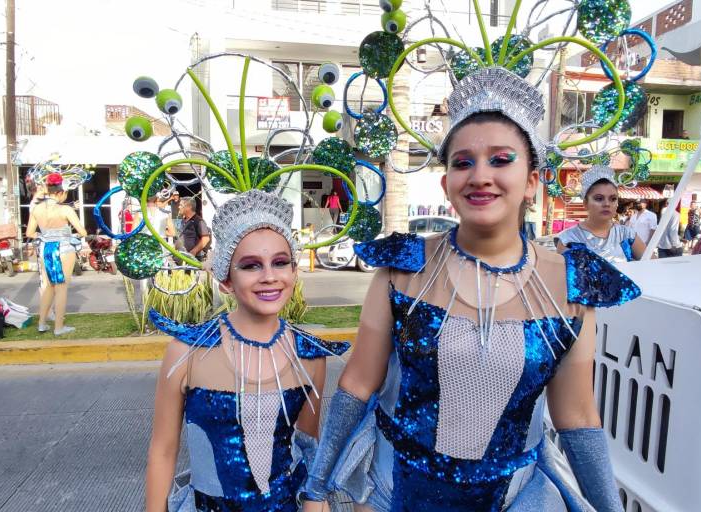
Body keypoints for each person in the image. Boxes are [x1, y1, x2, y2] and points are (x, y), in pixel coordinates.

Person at [301, 67, 640, 512]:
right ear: (447, 185)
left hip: (512, 497)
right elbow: (359, 383)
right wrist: (316, 486)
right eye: (463, 162)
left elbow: (576, 417)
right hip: (392, 491)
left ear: (533, 182)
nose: (480, 175)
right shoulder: (403, 268)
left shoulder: (572, 285)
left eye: (501, 159)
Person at [146, 189, 349, 511]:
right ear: (226, 279)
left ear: (294, 272)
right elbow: (163, 450)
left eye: (280, 263)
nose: (269, 277)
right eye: (251, 266)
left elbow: (308, 449)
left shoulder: (309, 356)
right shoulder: (188, 352)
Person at [25, 173, 87, 335]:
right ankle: (59, 327)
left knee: (49, 287)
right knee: (61, 288)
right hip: (64, 249)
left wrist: (45, 236)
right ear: (60, 192)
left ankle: (42, 323)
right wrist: (71, 236)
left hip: (46, 248)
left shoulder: (37, 208)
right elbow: (83, 231)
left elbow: (30, 232)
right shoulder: (65, 209)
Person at [555, 166, 645, 263]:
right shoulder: (569, 239)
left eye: (613, 199)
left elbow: (653, 265)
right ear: (585, 203)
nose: (607, 204)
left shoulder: (627, 235)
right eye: (599, 198)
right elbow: (561, 275)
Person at [177, 197, 211, 261]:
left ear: (189, 207)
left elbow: (206, 238)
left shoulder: (198, 221)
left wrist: (194, 251)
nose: (179, 207)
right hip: (182, 258)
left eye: (181, 205)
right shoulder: (183, 221)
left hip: (193, 260)